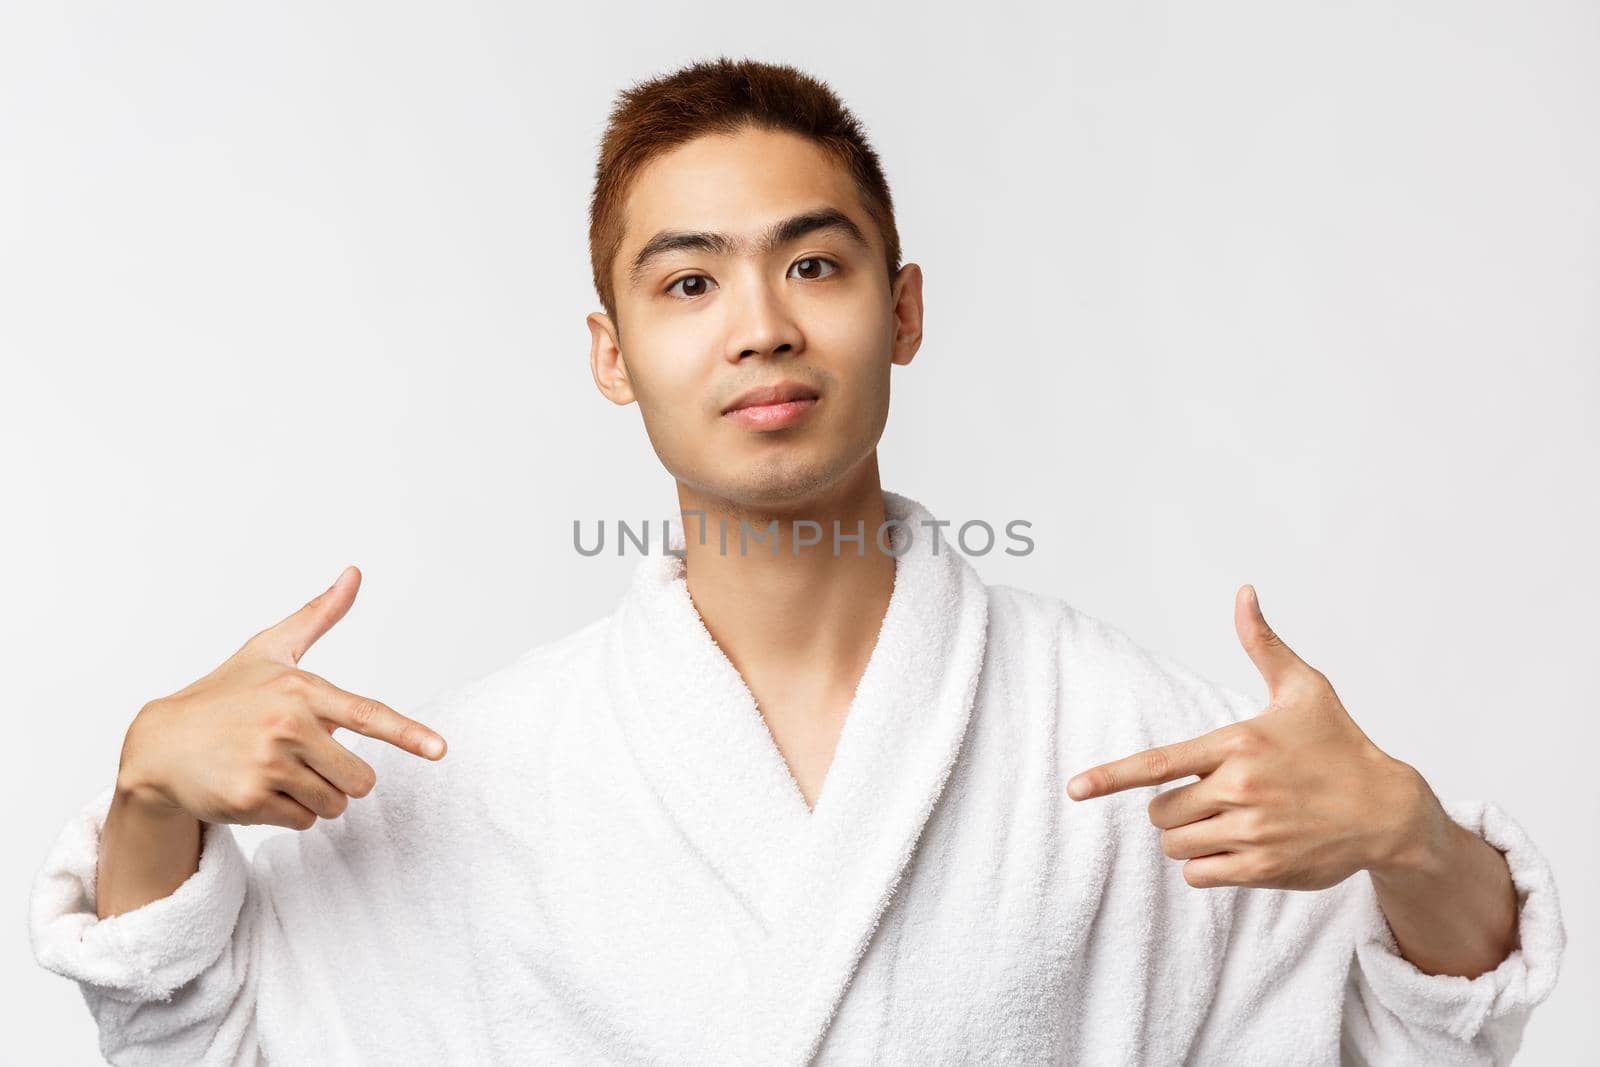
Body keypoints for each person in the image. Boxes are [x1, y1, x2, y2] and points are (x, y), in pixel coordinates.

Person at [30, 56, 1564, 1066]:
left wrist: (1413, 841)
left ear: (901, 312)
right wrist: (147, 796)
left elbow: (1400, 1047)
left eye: (812, 264)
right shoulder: (491, 773)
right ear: (611, 355)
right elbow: (202, 1043)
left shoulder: (1127, 743)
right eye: (687, 280)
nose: (761, 322)